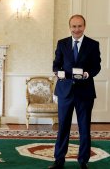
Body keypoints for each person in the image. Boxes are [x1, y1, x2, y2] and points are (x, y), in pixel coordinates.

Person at [49, 15, 101, 169]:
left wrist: (88, 73)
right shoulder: (62, 43)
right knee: (63, 127)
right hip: (65, 91)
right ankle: (59, 160)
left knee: (84, 128)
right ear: (69, 27)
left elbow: (96, 66)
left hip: (85, 93)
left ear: (84, 26)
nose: (76, 29)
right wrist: (57, 72)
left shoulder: (93, 44)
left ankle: (83, 161)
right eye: (74, 26)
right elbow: (56, 64)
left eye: (79, 26)